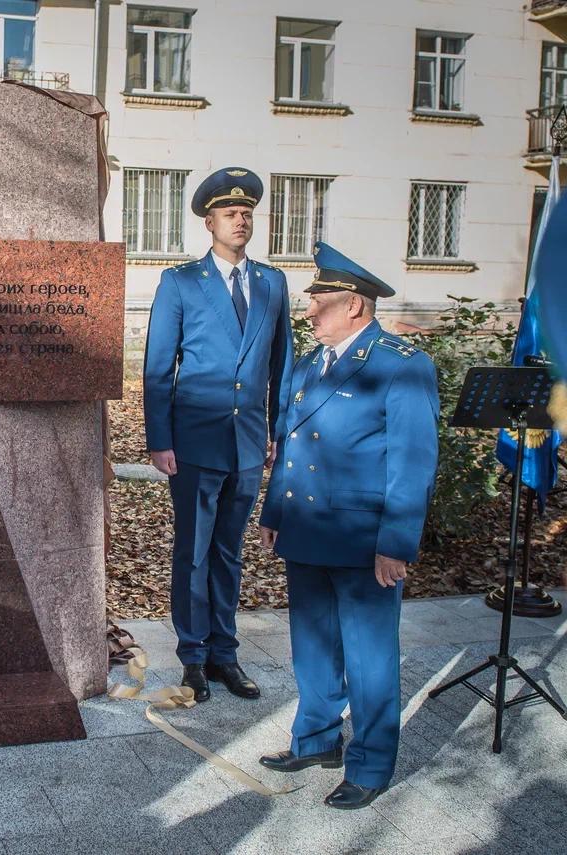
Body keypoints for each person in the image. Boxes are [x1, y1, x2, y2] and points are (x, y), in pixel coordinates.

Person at [257, 242, 439, 810]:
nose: (309, 312)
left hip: (363, 540)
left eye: (319, 301)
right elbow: (290, 444)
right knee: (312, 645)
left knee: (369, 656)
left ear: (355, 306)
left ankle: (371, 764)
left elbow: (413, 462)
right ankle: (315, 740)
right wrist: (274, 513)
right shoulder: (313, 363)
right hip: (308, 527)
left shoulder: (400, 364)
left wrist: (396, 543)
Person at [143, 167, 293, 702]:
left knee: (230, 552)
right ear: (209, 223)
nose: (241, 220)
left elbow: (283, 365)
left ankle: (226, 653)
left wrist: (279, 430)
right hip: (196, 440)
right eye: (230, 214)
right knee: (194, 551)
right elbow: (159, 366)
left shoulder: (272, 283)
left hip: (249, 441)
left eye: (247, 213)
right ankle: (193, 656)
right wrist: (159, 439)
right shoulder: (180, 282)